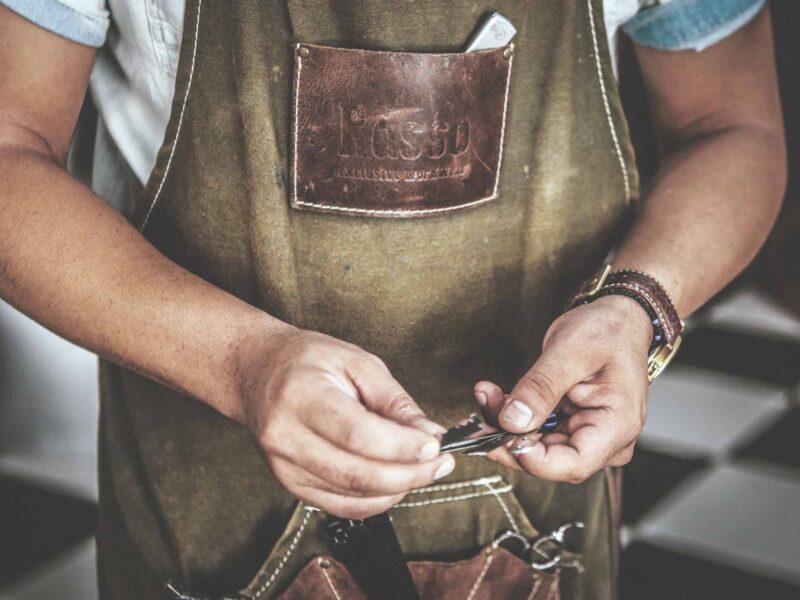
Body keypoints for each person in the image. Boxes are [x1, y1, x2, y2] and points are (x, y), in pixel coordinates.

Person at [0, 1, 785, 598]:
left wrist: (637, 303)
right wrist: (240, 361)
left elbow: (732, 126)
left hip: (546, 502)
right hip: (203, 493)